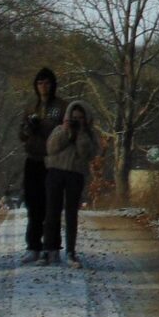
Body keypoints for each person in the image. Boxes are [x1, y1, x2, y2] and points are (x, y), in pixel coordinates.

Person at [41, 101, 99, 268]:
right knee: (52, 211)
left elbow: (87, 154)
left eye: (80, 118)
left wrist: (81, 132)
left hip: (75, 174)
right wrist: (66, 131)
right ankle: (48, 249)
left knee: (71, 214)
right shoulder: (60, 129)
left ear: (86, 118)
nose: (76, 120)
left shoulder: (89, 134)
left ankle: (70, 251)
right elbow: (51, 148)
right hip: (55, 172)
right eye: (73, 117)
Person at [18, 67, 67, 263]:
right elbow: (21, 135)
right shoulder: (31, 107)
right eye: (40, 83)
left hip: (53, 160)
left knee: (52, 205)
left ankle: (52, 245)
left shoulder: (62, 106)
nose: (43, 87)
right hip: (33, 158)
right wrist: (29, 128)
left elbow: (66, 133)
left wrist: (49, 130)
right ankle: (33, 245)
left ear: (53, 84)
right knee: (33, 204)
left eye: (47, 83)